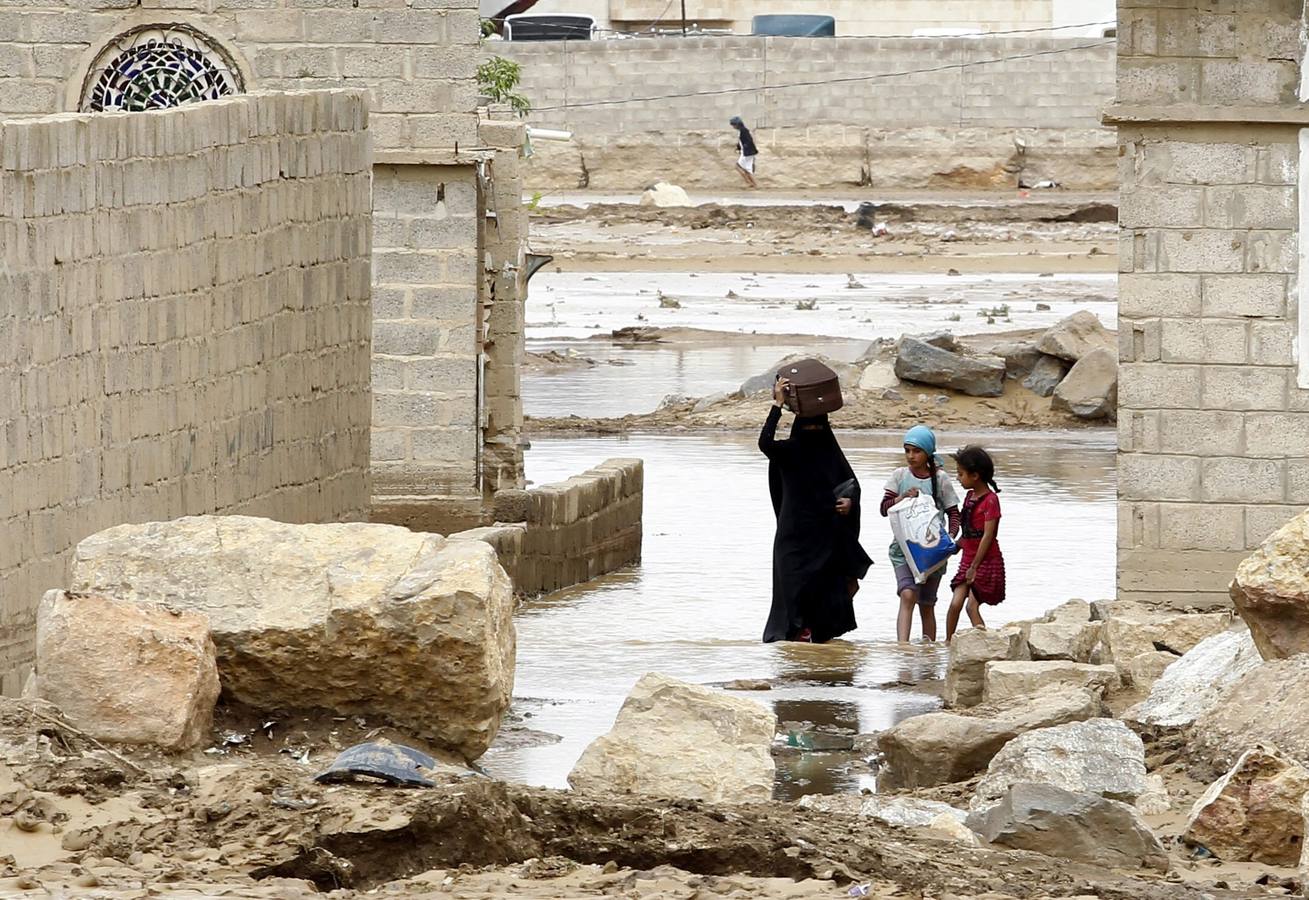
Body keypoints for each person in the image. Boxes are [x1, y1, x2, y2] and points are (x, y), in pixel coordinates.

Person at [759, 376, 872, 643]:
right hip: (794, 539)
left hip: (826, 538)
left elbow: (850, 485)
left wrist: (850, 502)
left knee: (832, 589)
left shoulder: (828, 452)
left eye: (816, 426)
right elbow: (765, 443)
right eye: (807, 426)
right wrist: (777, 405)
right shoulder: (790, 451)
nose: (812, 431)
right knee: (793, 595)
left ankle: (816, 642)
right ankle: (799, 652)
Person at [880, 425, 960, 643]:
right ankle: (903, 648)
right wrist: (902, 497)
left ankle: (928, 651)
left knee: (927, 604)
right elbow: (884, 508)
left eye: (916, 451)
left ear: (928, 453)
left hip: (933, 552)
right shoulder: (899, 476)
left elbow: (954, 513)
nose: (910, 456)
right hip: (903, 550)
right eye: (907, 450)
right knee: (907, 594)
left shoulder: (941, 479)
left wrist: (950, 541)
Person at [945, 445, 1005, 641]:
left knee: (971, 606)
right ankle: (948, 643)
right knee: (955, 604)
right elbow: (970, 532)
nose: (958, 478)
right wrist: (956, 545)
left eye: (961, 474)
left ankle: (985, 645)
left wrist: (974, 567)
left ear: (975, 476)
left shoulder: (991, 501)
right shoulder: (970, 497)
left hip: (985, 560)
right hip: (968, 557)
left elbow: (987, 536)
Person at [730, 116, 759, 189]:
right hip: (746, 152)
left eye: (733, 125)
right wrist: (738, 148)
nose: (733, 127)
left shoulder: (744, 131)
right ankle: (751, 184)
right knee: (744, 169)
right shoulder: (742, 131)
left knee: (738, 167)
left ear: (737, 124)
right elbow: (742, 142)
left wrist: (745, 147)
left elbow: (749, 140)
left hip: (747, 153)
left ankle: (752, 184)